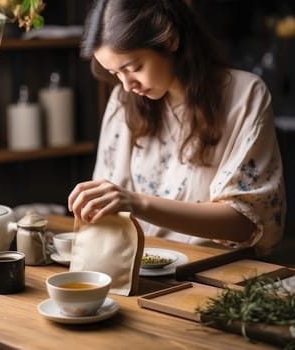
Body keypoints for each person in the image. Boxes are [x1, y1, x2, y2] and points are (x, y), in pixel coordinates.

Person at [68, 0, 286, 256]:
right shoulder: (123, 102)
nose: (127, 85)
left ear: (170, 38)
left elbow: (247, 223)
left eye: (134, 68)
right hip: (141, 270)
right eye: (115, 72)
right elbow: (106, 204)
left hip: (217, 272)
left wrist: (138, 203)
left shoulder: (244, 95)